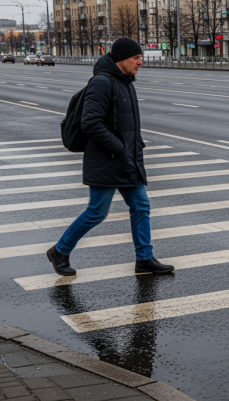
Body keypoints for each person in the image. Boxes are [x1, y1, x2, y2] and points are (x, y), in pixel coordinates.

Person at [47, 37, 174, 276]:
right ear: (121, 59)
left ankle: (145, 257)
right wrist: (119, 148)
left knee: (141, 206)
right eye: (136, 57)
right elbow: (90, 123)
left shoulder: (125, 82)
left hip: (126, 158)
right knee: (97, 211)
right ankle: (60, 251)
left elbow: (125, 124)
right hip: (107, 159)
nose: (141, 62)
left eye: (140, 57)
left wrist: (134, 148)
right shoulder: (102, 83)